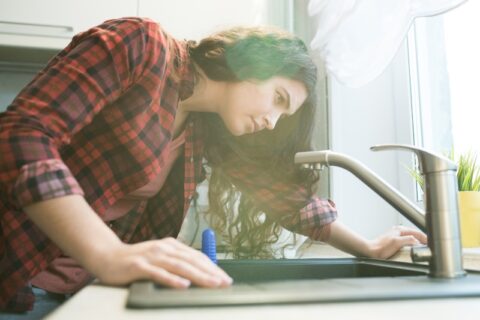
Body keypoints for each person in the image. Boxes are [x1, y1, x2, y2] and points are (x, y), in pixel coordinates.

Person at [0, 17, 427, 315]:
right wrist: (109, 253)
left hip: (81, 293)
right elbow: (22, 135)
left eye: (285, 116)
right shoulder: (141, 45)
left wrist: (367, 248)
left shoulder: (204, 130)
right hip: (14, 280)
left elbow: (287, 200)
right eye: (278, 99)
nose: (273, 122)